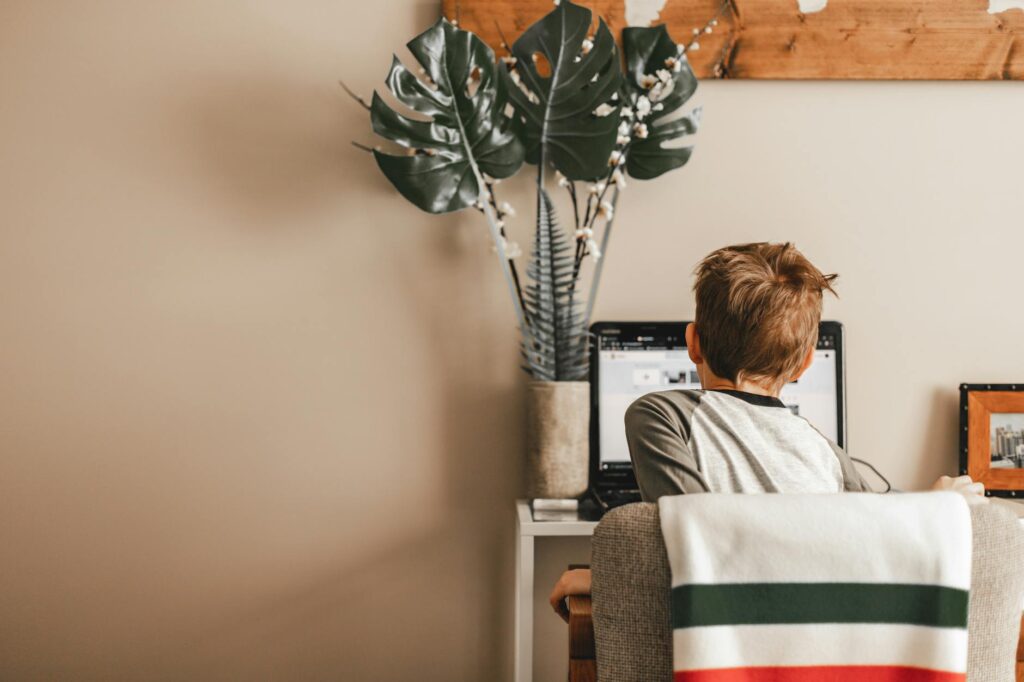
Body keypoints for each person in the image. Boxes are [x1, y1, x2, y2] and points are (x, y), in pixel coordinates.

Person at [549, 242, 984, 621]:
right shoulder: (826, 452)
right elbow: (873, 541)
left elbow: (694, 537)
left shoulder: (661, 414)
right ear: (805, 363)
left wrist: (603, 577)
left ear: (693, 341)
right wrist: (938, 505)